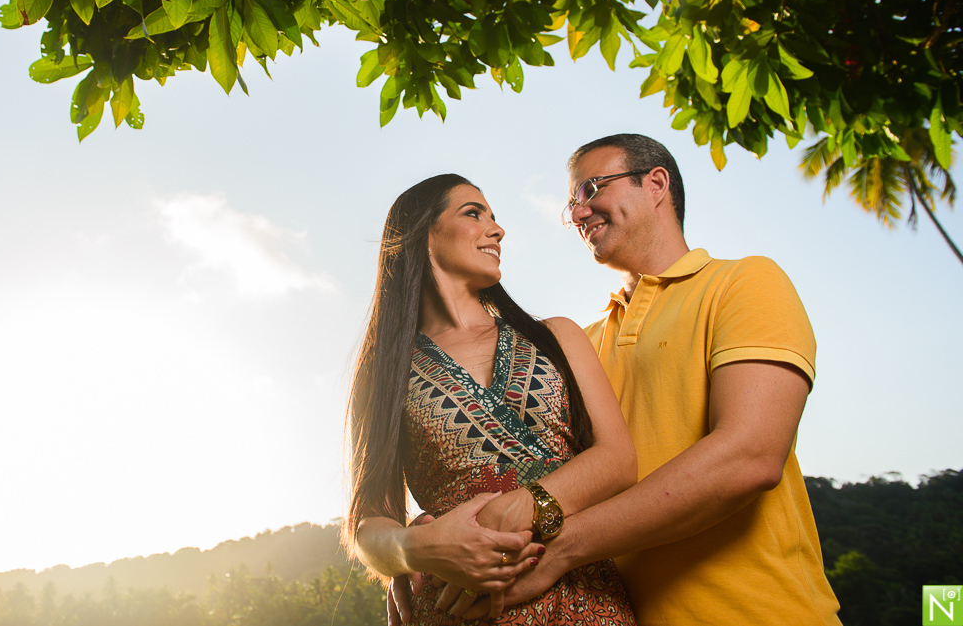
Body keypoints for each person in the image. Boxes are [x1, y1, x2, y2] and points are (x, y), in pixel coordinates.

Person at [420, 134, 839, 625]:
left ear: (656, 183)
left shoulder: (743, 283)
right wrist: (432, 553)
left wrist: (564, 550)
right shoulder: (576, 344)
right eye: (572, 202)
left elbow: (749, 457)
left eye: (592, 188)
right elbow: (535, 476)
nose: (578, 213)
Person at [346, 174, 638, 625]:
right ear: (424, 231)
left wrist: (526, 505)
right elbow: (369, 522)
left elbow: (618, 461)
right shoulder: (385, 372)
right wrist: (415, 549)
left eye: (495, 217)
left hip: (582, 590)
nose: (497, 229)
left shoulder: (557, 336)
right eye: (473, 213)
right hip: (460, 606)